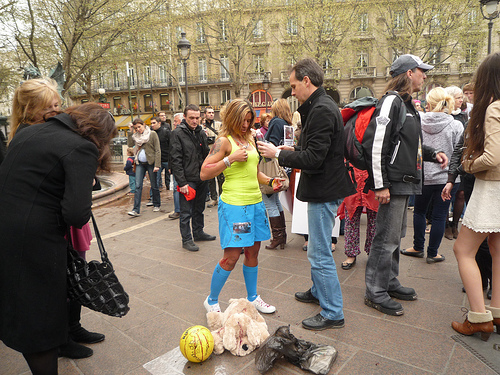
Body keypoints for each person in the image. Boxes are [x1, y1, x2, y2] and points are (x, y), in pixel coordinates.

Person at [0, 102, 116, 375]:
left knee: (20, 305)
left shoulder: (29, 132)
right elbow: (76, 214)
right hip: (39, 241)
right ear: (99, 135)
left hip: (7, 231)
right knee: (42, 317)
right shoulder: (82, 147)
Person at [259, 58, 356, 331]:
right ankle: (318, 291)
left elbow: (314, 158)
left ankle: (333, 312)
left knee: (319, 252)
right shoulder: (320, 107)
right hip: (322, 188)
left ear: (306, 81)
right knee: (318, 249)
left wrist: (277, 153)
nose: (292, 92)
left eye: (293, 86)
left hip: (324, 190)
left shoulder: (323, 110)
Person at [363, 54, 448, 316]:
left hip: (403, 181)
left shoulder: (406, 104)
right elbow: (376, 144)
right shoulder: (391, 101)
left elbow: (411, 143)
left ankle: (389, 282)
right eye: (421, 70)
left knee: (395, 236)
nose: (425, 75)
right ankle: (375, 291)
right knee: (385, 238)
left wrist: (432, 154)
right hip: (394, 182)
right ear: (409, 73)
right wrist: (380, 184)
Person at [201, 99, 280, 314]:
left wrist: (271, 182)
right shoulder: (224, 142)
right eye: (242, 121)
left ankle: (253, 297)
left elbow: (254, 173)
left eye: (249, 121)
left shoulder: (250, 139)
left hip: (255, 204)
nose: (246, 125)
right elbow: (204, 172)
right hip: (236, 207)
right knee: (233, 256)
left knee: (254, 251)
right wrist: (230, 160)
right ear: (232, 119)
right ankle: (212, 299)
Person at [450, 52, 500, 341]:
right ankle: (496, 311)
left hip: (491, 188)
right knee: (497, 249)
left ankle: (478, 317)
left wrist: (468, 165)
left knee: (463, 250)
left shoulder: (493, 109)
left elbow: (493, 157)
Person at [401, 87, 463, 263]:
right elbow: (459, 152)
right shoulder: (455, 125)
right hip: (448, 179)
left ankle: (418, 246)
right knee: (440, 215)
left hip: (423, 176)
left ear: (428, 104)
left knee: (419, 212)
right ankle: (433, 253)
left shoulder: (418, 121)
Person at [170, 104, 216, 251]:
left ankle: (198, 232)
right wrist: (182, 182)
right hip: (187, 179)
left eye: (197, 118)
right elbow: (175, 159)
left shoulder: (201, 132)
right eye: (191, 118)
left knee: (199, 208)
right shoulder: (177, 133)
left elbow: (206, 154)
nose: (194, 121)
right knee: (185, 212)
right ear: (185, 117)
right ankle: (186, 239)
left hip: (201, 177)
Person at [262, 99, 293, 250]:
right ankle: (282, 236)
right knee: (276, 200)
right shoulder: (288, 124)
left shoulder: (276, 122)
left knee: (268, 200)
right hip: (284, 167)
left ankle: (277, 237)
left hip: (271, 168)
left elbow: (270, 145)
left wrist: (260, 141)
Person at [338, 167, 379, 270]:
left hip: (372, 178)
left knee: (375, 222)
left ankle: (373, 253)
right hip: (352, 178)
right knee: (351, 220)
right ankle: (350, 254)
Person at [444, 85, 467, 239]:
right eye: (459, 97)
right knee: (445, 194)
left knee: (460, 194)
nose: (462, 100)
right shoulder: (444, 115)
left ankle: (455, 224)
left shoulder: (464, 116)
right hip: (444, 161)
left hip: (460, 160)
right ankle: (445, 225)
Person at [127, 118, 161, 216]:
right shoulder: (135, 136)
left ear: (144, 125)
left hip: (151, 163)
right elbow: (129, 144)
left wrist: (157, 165)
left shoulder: (152, 134)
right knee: (138, 185)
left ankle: (157, 204)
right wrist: (130, 131)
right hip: (140, 163)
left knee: (154, 184)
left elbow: (158, 150)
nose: (138, 129)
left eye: (139, 127)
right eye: (136, 128)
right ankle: (136, 210)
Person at [203, 106, 224, 208]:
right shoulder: (202, 127)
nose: (211, 114)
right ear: (205, 114)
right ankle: (213, 198)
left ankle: (221, 197)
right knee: (210, 178)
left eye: (212, 113)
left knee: (221, 177)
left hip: (218, 153)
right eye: (209, 113)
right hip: (208, 154)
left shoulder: (219, 124)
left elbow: (223, 136)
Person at [168, 113, 183, 220]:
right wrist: (170, 165)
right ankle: (178, 210)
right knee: (176, 189)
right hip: (176, 165)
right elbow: (171, 151)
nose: (173, 123)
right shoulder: (173, 133)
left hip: (185, 166)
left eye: (176, 121)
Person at [150, 116, 171, 192]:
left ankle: (168, 187)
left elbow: (171, 145)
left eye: (154, 123)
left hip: (167, 158)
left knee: (168, 176)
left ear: (159, 123)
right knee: (155, 179)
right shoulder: (151, 133)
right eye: (151, 123)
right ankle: (153, 197)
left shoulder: (166, 132)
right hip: (157, 160)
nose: (152, 125)